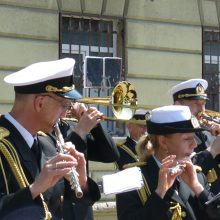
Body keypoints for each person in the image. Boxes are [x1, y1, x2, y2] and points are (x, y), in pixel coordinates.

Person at [0, 58, 101, 220]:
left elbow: (67, 207)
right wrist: (35, 189)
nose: (64, 115)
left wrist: (81, 183)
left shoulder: (49, 143)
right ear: (40, 103)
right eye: (64, 105)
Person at [116, 105, 220, 220]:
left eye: (193, 138)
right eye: (187, 139)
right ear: (163, 142)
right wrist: (160, 192)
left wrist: (198, 188)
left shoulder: (197, 176)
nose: (194, 145)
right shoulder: (130, 179)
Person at [43, 101, 120, 220]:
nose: (64, 112)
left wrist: (94, 125)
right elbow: (55, 158)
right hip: (59, 212)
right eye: (63, 104)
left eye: (67, 105)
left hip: (82, 212)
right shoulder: (39, 131)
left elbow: (110, 155)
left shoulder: (69, 126)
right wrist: (79, 131)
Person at [169, 79, 220, 194]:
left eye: (203, 104)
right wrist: (213, 149)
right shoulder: (172, 134)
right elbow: (183, 167)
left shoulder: (201, 132)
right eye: (196, 103)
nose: (202, 110)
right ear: (178, 105)